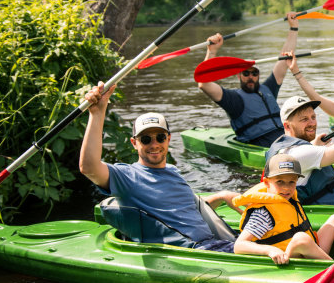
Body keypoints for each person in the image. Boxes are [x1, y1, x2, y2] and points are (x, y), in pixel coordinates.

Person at [79, 82, 240, 252]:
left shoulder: (172, 172)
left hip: (219, 244)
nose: (154, 144)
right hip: (200, 251)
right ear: (134, 143)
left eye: (160, 137)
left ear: (168, 139)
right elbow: (89, 167)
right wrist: (97, 113)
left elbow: (184, 210)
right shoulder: (126, 176)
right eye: (146, 139)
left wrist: (222, 196)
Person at [196, 12, 300, 147]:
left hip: (285, 137)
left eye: (254, 73)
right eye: (246, 73)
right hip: (260, 143)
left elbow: (285, 57)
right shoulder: (233, 100)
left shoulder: (268, 89)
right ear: (239, 76)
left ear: (258, 75)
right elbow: (203, 83)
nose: (251, 77)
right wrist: (212, 51)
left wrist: (293, 28)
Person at [232, 153, 334, 263]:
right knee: (301, 238)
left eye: (291, 182)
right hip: (290, 260)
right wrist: (270, 250)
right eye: (280, 182)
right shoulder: (263, 213)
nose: (286, 188)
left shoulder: (290, 199)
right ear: (266, 182)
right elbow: (239, 246)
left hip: (309, 251)